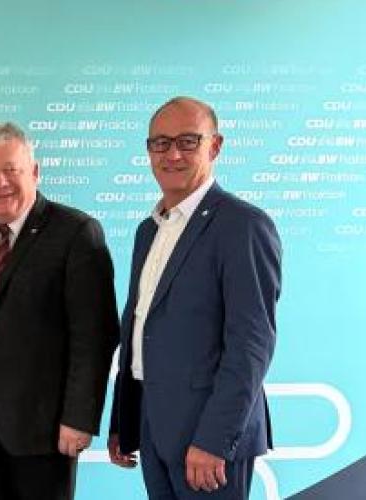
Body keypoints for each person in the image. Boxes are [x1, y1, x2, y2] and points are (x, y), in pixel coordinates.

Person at [108, 96, 281, 499]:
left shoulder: (243, 226)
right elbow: (139, 330)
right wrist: (125, 420)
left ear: (214, 146)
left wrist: (215, 439)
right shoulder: (148, 230)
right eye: (160, 143)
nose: (172, 154)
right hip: (154, 424)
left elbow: (251, 344)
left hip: (208, 439)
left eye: (188, 141)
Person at [0, 122, 119, 499]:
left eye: (11, 170)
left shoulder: (76, 233)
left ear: (34, 172)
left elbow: (95, 337)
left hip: (47, 432)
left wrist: (79, 419)